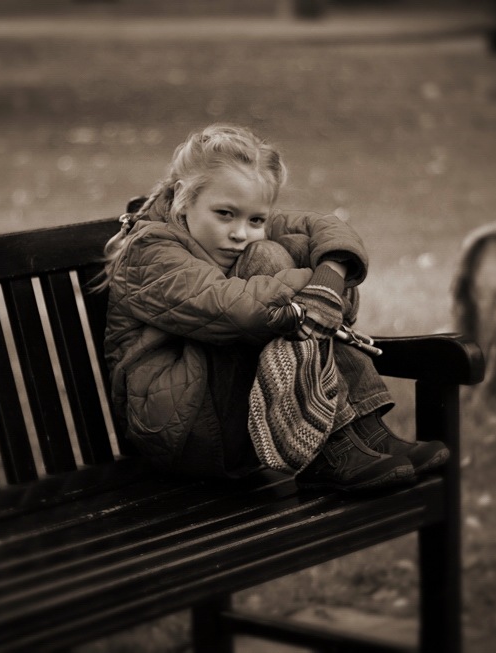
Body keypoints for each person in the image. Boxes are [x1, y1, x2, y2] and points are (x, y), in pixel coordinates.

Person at [99, 124, 448, 491]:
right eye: (224, 214)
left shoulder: (236, 229)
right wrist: (321, 286)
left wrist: (330, 271)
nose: (240, 233)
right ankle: (330, 448)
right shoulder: (150, 252)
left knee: (292, 257)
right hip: (184, 431)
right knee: (269, 261)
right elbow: (236, 309)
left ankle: (367, 432)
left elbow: (324, 227)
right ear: (184, 199)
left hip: (232, 415)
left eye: (256, 219)